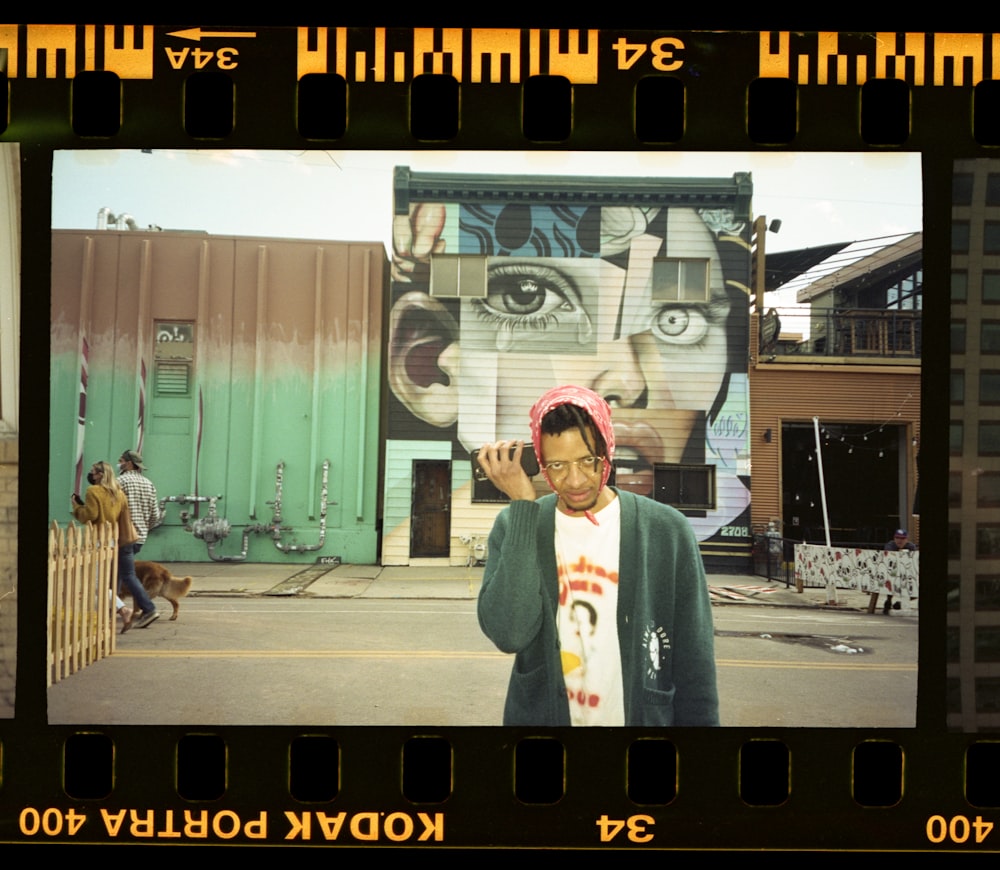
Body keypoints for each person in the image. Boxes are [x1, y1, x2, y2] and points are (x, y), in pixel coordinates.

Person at [389, 197, 751, 543]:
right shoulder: (502, 533)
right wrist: (523, 504)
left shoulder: (672, 540)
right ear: (430, 369)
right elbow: (508, 606)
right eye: (527, 296)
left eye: (677, 320)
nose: (629, 382)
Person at [475, 384, 719, 727]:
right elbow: (509, 634)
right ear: (540, 461)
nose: (575, 480)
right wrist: (522, 507)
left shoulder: (667, 531)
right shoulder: (516, 525)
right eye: (557, 465)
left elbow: (696, 665)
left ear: (608, 449)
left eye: (588, 461)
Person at [72, 460, 160, 631]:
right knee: (117, 577)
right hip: (121, 538)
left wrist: (77, 507)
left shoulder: (94, 490)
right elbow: (154, 514)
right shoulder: (121, 492)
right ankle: (116, 611)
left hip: (99, 539)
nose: (91, 474)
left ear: (99, 475)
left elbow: (91, 514)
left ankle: (125, 609)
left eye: (93, 471)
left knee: (100, 583)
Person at [117, 449, 163, 556]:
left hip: (122, 536)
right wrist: (144, 527)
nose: (119, 464)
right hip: (140, 538)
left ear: (129, 463)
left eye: (121, 461)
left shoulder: (120, 481)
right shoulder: (149, 484)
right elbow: (155, 515)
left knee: (122, 571)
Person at [880, 529, 917, 615]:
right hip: (892, 572)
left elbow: (914, 559)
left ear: (906, 539)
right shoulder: (890, 545)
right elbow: (889, 556)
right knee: (890, 580)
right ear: (894, 538)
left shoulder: (911, 547)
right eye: (897, 538)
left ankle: (900, 603)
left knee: (914, 587)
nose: (899, 540)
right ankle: (888, 601)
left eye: (902, 538)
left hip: (907, 573)